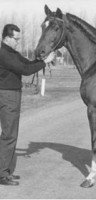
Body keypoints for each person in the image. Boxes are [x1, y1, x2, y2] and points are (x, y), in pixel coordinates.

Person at [0, 24, 55, 186]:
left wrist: (42, 59)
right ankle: (3, 175)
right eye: (16, 39)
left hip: (11, 95)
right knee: (9, 135)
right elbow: (25, 70)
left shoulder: (12, 53)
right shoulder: (4, 54)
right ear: (7, 38)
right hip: (8, 95)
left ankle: (5, 172)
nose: (18, 42)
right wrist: (45, 63)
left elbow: (29, 63)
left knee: (9, 134)